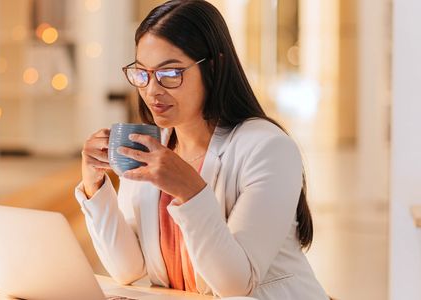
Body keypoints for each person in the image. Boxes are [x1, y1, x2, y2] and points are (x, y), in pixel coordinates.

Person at [75, 1, 328, 299]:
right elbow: (128, 269)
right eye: (142, 74)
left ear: (214, 66)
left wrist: (191, 191)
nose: (152, 90)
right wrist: (95, 186)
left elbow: (235, 285)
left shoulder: (269, 148)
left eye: (170, 74)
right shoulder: (151, 145)